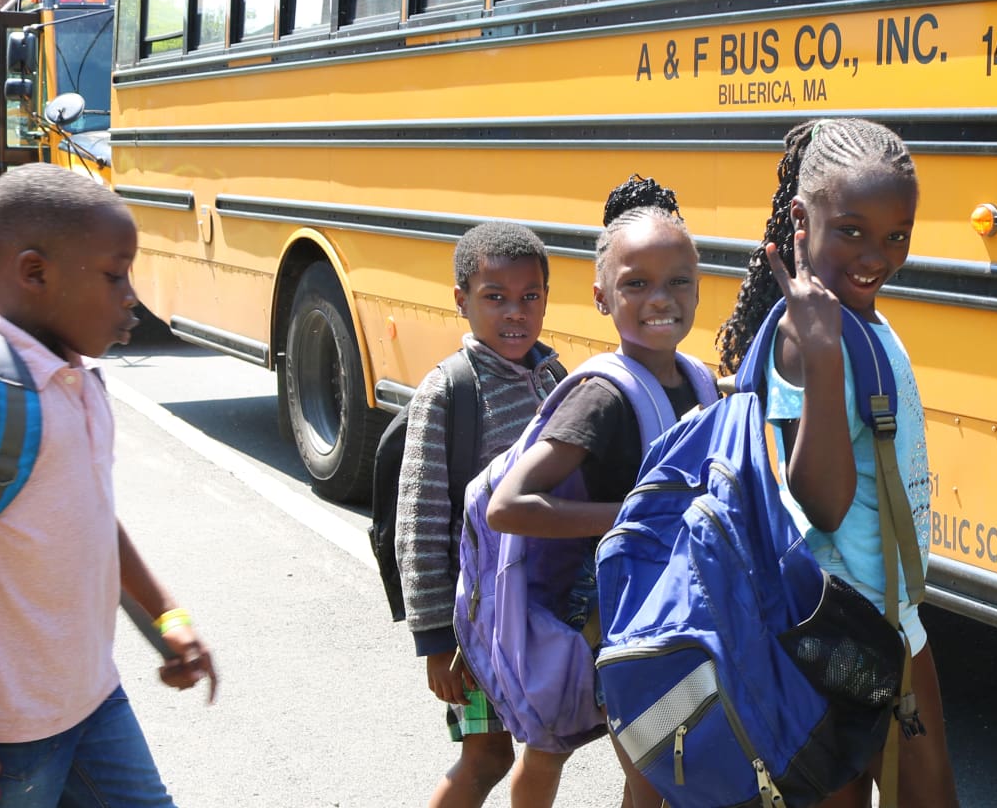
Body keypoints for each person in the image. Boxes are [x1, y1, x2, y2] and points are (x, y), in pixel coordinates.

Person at [0, 163, 215, 808]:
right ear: (34, 273)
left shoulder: (76, 377)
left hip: (92, 698)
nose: (131, 296)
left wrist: (166, 616)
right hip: (2, 730)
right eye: (115, 275)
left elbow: (94, 517)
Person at [715, 117, 960, 808]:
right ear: (801, 219)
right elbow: (821, 503)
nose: (875, 256)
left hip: (886, 616)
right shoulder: (809, 335)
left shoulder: (858, 319)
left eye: (897, 236)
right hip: (838, 630)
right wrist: (823, 362)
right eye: (852, 231)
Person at [484, 179, 702, 808]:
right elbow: (508, 506)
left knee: (655, 771)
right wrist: (634, 516)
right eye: (637, 284)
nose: (660, 298)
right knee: (636, 769)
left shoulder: (697, 380)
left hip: (672, 605)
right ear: (602, 297)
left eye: (678, 281)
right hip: (614, 614)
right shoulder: (601, 397)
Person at [393, 219, 563, 808]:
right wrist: (437, 641)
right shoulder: (449, 391)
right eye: (495, 298)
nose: (515, 312)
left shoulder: (556, 379)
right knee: (487, 755)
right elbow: (418, 525)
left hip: (541, 614)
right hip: (476, 624)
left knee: (548, 743)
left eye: (530, 296)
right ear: (461, 300)